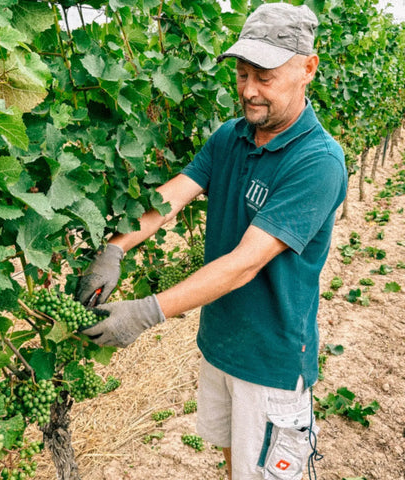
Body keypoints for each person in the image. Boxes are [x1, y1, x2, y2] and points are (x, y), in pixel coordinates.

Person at [76, 3, 348, 479]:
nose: (248, 91)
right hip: (221, 345)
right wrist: (114, 248)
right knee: (233, 467)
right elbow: (169, 199)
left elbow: (245, 263)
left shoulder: (317, 161)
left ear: (308, 68)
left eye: (263, 77)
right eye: (242, 75)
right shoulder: (231, 136)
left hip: (270, 364)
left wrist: (145, 312)